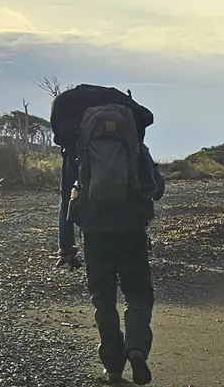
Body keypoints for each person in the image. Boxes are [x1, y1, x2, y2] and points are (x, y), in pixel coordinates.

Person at [51, 84, 154, 271]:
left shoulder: (64, 101)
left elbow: (59, 138)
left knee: (67, 196)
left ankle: (66, 249)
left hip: (78, 159)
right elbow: (147, 117)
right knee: (145, 178)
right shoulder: (118, 97)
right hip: (125, 164)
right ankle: (142, 227)